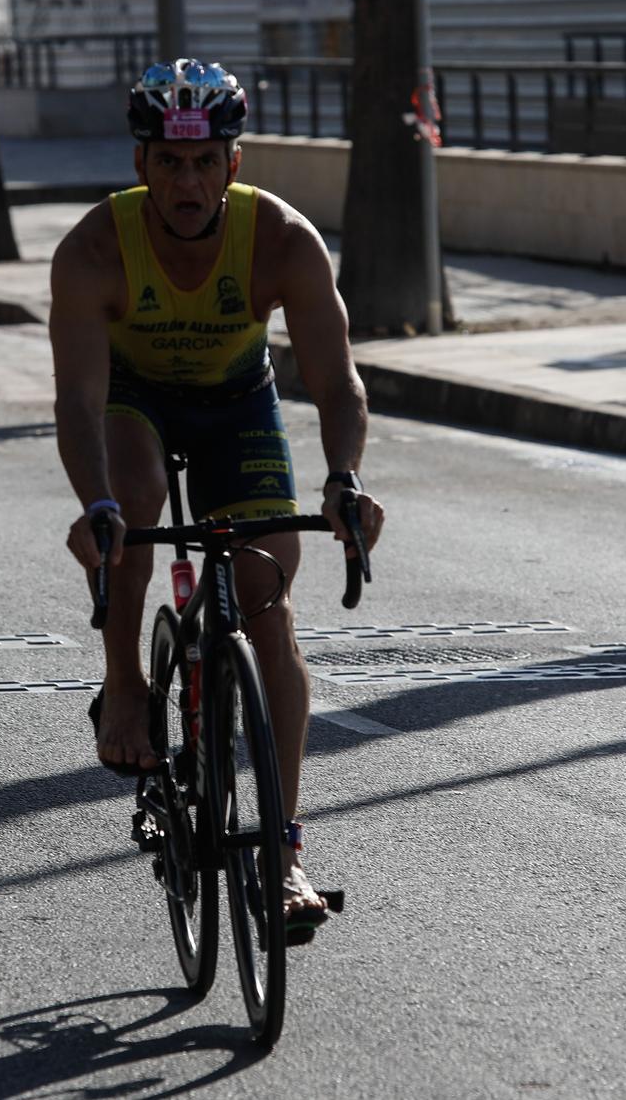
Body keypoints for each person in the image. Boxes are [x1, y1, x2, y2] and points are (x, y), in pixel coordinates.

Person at [50, 58, 385, 933]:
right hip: (136, 403)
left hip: (239, 402)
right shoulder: (92, 250)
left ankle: (284, 858)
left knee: (269, 599)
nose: (187, 182)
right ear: (141, 164)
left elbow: (338, 382)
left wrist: (345, 479)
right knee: (133, 505)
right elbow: (79, 403)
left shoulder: (281, 239)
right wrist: (94, 505)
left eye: (205, 164)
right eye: (169, 162)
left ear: (234, 165)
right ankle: (125, 681)